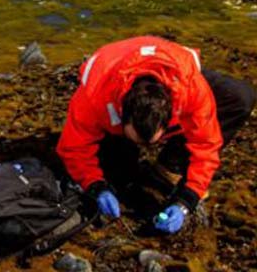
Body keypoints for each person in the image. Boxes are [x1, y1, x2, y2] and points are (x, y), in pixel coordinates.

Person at [57, 36, 255, 234]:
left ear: (170, 119)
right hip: (114, 68)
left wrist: (186, 201)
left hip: (171, 64)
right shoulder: (95, 96)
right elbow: (74, 148)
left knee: (240, 97)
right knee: (119, 172)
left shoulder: (191, 92)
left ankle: (170, 165)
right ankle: (123, 151)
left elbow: (206, 146)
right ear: (120, 116)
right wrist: (95, 186)